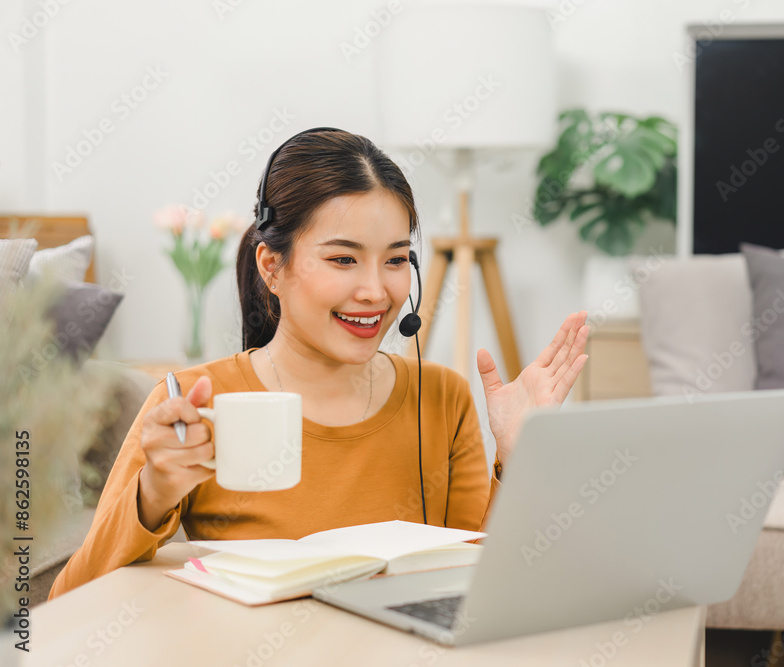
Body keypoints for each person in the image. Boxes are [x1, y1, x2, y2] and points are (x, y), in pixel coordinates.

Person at [49, 128, 589, 600]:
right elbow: (68, 602)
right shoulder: (196, 402)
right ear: (272, 266)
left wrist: (518, 455)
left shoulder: (441, 396)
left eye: (396, 259)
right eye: (343, 259)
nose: (375, 291)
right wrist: (154, 493)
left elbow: (480, 585)